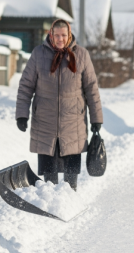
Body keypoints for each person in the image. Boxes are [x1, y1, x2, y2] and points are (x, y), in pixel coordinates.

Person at [15, 19, 103, 190]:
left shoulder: (82, 55)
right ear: (51, 35)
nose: (60, 39)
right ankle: (50, 207)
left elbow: (92, 89)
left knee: (71, 178)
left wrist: (96, 119)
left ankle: (69, 204)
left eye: (64, 35)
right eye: (57, 35)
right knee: (49, 178)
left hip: (73, 123)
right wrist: (21, 114)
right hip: (45, 122)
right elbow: (26, 86)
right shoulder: (38, 54)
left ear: (69, 34)